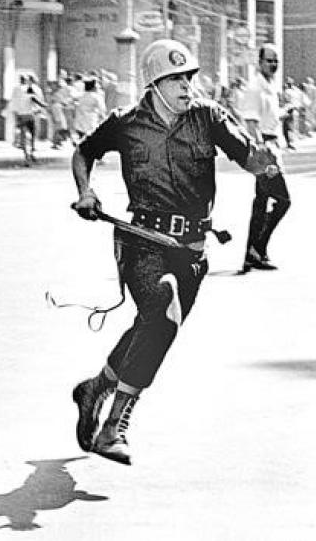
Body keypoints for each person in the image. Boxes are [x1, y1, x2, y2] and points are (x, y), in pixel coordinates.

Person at [69, 39, 280, 465]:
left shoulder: (207, 116)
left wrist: (264, 164)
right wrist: (86, 193)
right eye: (176, 79)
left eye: (189, 78)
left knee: (152, 328)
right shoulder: (126, 123)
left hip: (192, 252)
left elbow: (246, 155)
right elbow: (83, 152)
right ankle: (114, 426)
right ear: (154, 84)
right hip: (141, 242)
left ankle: (97, 386)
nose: (187, 87)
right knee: (163, 313)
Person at [238, 44, 292, 273]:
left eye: (276, 61)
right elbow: (251, 124)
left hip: (271, 146)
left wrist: (284, 111)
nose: (273, 65)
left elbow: (267, 117)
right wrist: (263, 153)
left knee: (261, 202)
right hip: (262, 151)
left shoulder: (270, 86)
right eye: (269, 61)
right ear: (259, 63)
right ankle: (257, 247)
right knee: (283, 200)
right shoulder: (254, 88)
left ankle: (253, 254)